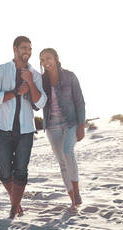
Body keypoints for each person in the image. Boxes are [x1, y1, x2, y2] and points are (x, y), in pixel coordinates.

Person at [0, 36, 47, 219]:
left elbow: (42, 101)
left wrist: (29, 82)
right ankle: (17, 201)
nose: (27, 52)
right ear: (15, 49)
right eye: (24, 48)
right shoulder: (1, 70)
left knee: (21, 170)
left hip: (26, 132)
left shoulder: (35, 74)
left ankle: (13, 210)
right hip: (3, 131)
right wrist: (15, 93)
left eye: (30, 48)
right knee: (4, 171)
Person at [39, 48, 85, 209]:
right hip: (52, 126)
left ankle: (77, 191)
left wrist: (81, 125)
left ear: (56, 58)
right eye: (42, 60)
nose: (46, 62)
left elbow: (80, 102)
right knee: (62, 163)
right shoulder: (41, 80)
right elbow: (36, 103)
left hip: (70, 123)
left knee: (67, 152)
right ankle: (72, 198)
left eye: (48, 58)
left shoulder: (70, 76)